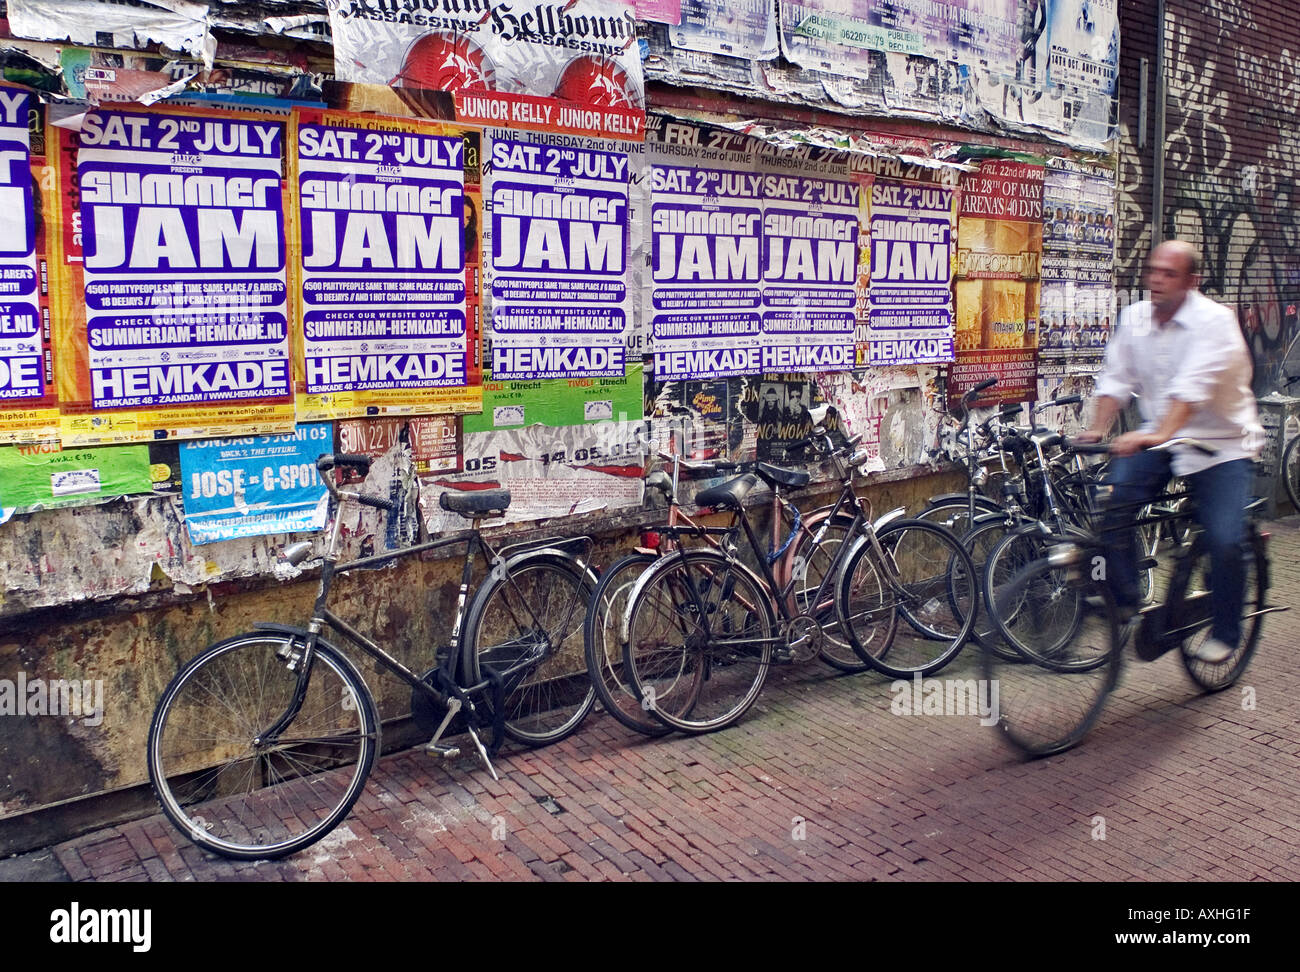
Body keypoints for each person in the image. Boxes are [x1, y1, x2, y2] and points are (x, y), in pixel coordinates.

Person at [1077, 240, 1263, 662]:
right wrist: (1097, 429)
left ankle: (1227, 630)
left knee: (1224, 537)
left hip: (1221, 444)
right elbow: (1115, 379)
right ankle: (1125, 598)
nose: (1157, 280)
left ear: (1192, 281)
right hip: (1162, 437)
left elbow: (1190, 394)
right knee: (1113, 500)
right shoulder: (1137, 318)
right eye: (1153, 271)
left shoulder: (1214, 322)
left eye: (1169, 273)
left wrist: (1150, 435)